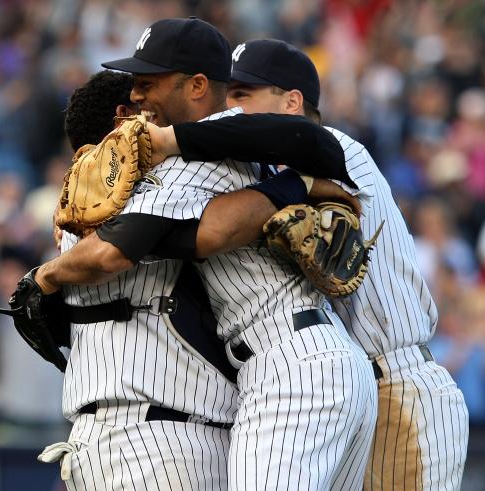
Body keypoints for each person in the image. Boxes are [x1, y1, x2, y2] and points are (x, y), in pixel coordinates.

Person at [37, 18, 377, 490]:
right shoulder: (234, 140)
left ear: (197, 85)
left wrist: (46, 277)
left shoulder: (200, 150)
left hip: (287, 366)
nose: (138, 97)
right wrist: (295, 184)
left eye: (147, 82)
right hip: (322, 358)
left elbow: (143, 244)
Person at [155, 39, 471, 490]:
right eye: (228, 96)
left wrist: (169, 140)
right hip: (349, 390)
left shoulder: (337, 149)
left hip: (399, 385)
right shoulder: (270, 177)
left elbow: (277, 138)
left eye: (243, 94)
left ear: (292, 101)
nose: (229, 107)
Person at [38, 68, 239, 490]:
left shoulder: (70, 217)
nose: (153, 114)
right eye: (143, 102)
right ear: (122, 117)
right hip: (168, 442)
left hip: (89, 444)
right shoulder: (165, 185)